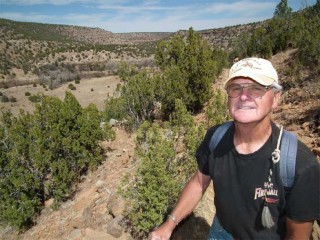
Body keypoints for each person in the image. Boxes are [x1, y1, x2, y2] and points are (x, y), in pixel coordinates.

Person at [150, 57, 320, 239]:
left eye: (256, 88)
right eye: (236, 88)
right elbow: (199, 182)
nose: (244, 96)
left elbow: (298, 234)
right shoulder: (216, 138)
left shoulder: (299, 164)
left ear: (276, 98)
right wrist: (168, 225)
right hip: (221, 232)